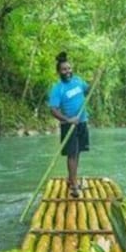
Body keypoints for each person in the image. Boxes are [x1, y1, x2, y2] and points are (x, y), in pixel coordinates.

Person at [48, 51, 90, 198]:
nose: (68, 71)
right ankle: (73, 185)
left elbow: (87, 90)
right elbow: (53, 110)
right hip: (69, 125)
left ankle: (72, 178)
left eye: (69, 68)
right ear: (59, 72)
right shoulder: (58, 88)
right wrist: (67, 119)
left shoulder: (78, 81)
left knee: (77, 153)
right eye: (64, 69)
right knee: (72, 155)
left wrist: (96, 79)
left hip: (82, 122)